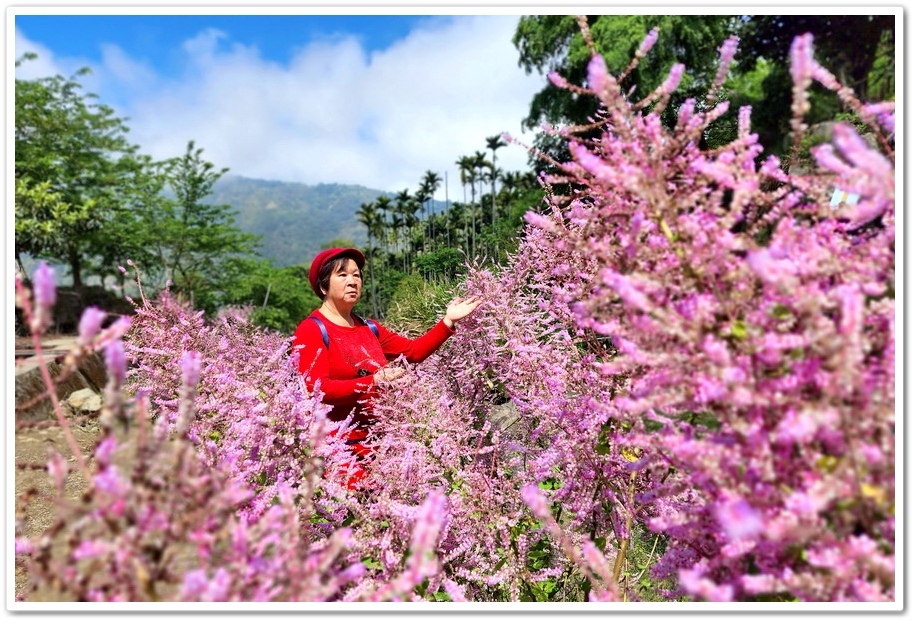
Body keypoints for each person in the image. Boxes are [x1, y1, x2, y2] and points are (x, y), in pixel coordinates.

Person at [292, 247, 482, 490]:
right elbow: (317, 390)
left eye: (357, 275)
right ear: (323, 286)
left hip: (382, 447)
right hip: (339, 453)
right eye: (342, 275)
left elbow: (413, 352)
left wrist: (448, 321)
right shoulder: (311, 330)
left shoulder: (368, 327)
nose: (352, 281)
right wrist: (374, 382)